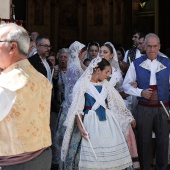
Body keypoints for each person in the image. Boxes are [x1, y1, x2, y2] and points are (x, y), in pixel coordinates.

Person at [61, 57, 136, 169]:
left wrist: (128, 118)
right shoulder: (83, 85)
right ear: (98, 70)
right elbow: (78, 109)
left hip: (107, 123)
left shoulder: (106, 85)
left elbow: (117, 104)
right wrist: (81, 128)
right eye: (106, 72)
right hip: (89, 122)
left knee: (111, 152)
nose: (107, 75)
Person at [0, 23, 52, 170]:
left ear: (12, 47)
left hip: (13, 163)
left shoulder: (5, 84)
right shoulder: (43, 80)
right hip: (42, 158)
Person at [122, 33, 170, 169]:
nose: (152, 49)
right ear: (144, 46)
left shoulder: (167, 63)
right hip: (143, 109)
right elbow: (126, 86)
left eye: (155, 46)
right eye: (149, 46)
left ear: (159, 47)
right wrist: (140, 92)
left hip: (164, 110)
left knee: (163, 143)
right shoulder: (136, 64)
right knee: (143, 143)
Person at [52, 41, 86, 169]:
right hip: (72, 109)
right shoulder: (73, 68)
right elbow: (71, 92)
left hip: (77, 107)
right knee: (67, 139)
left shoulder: (77, 65)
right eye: (83, 52)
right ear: (79, 52)